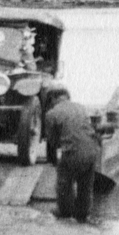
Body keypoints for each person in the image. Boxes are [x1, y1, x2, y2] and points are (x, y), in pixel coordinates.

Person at [43, 82, 101, 222]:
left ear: (52, 99)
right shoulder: (80, 107)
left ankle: (65, 212)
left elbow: (52, 141)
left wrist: (54, 159)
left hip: (73, 153)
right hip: (93, 150)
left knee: (64, 182)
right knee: (85, 186)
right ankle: (82, 215)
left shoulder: (52, 113)